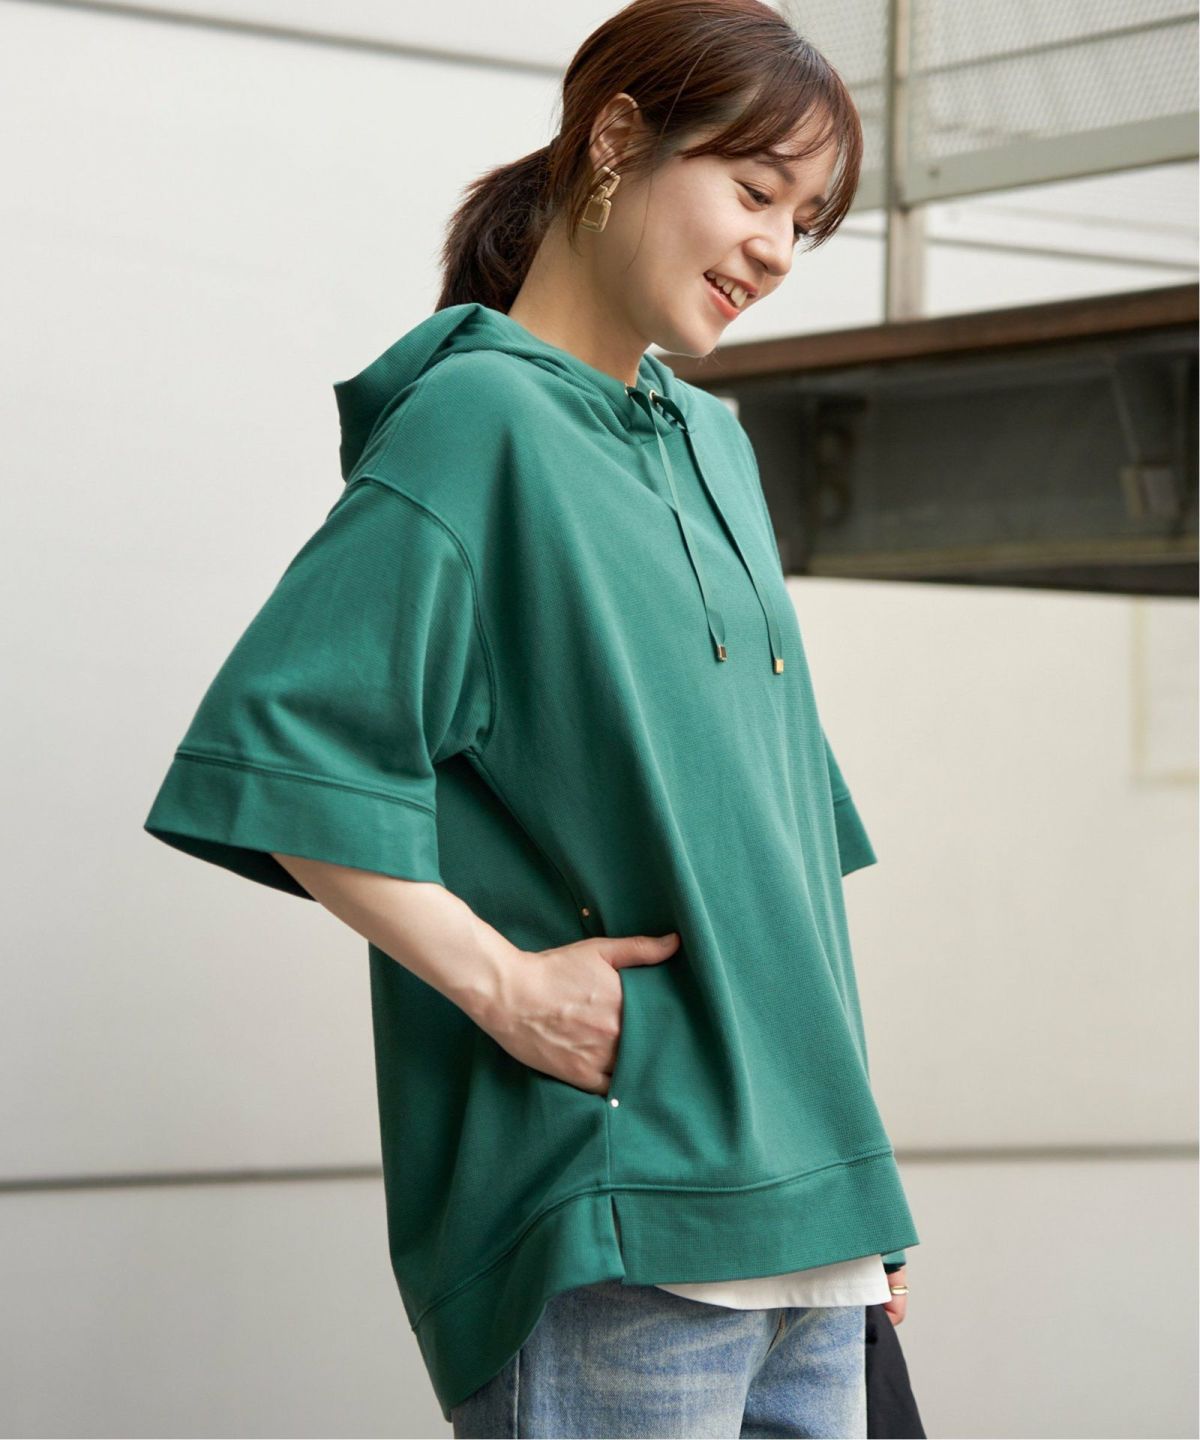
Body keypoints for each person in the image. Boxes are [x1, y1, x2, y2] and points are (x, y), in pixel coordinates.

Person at [143, 0, 920, 1434]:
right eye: (756, 191)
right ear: (617, 138)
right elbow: (287, 744)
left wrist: (856, 1193)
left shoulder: (715, 442)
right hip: (615, 1226)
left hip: (811, 1239)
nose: (776, 250)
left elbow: (780, 858)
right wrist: (504, 984)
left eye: (805, 224)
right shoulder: (476, 423)